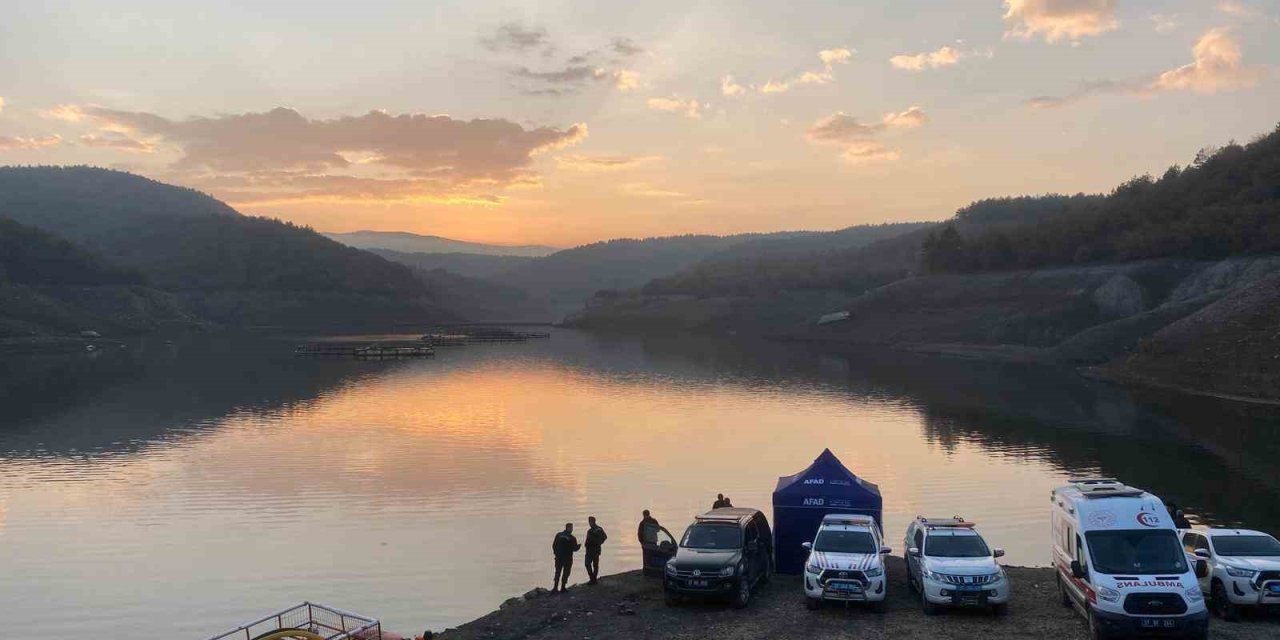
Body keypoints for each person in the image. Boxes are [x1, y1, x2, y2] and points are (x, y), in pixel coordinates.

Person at [551, 522, 580, 592]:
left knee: (557, 572)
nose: (572, 529)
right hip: (567, 558)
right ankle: (563, 587)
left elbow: (554, 545)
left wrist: (555, 553)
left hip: (558, 557)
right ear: (569, 528)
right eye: (571, 528)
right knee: (566, 572)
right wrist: (578, 547)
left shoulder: (558, 535)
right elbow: (574, 548)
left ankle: (555, 588)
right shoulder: (572, 538)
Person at [584, 515, 608, 585]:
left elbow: (603, 537)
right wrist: (600, 543)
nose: (589, 523)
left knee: (588, 564)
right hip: (596, 549)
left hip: (591, 550)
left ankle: (593, 579)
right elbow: (605, 537)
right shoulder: (599, 528)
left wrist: (597, 542)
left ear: (592, 522)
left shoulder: (591, 531)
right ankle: (593, 579)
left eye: (589, 522)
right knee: (595, 565)